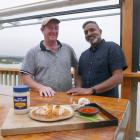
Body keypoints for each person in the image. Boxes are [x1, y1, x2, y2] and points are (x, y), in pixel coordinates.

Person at [67, 21, 127, 98]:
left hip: (108, 101)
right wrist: (78, 89)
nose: (89, 34)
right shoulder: (83, 55)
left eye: (92, 30)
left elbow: (118, 78)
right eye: (86, 32)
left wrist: (91, 90)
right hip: (85, 101)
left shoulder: (112, 48)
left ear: (100, 31)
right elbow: (79, 76)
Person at [20, 17, 78, 97]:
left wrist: (77, 87)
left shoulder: (68, 49)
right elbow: (25, 78)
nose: (54, 31)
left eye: (56, 28)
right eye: (50, 28)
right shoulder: (33, 52)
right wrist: (40, 87)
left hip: (67, 96)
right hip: (43, 97)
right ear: (42, 30)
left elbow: (77, 68)